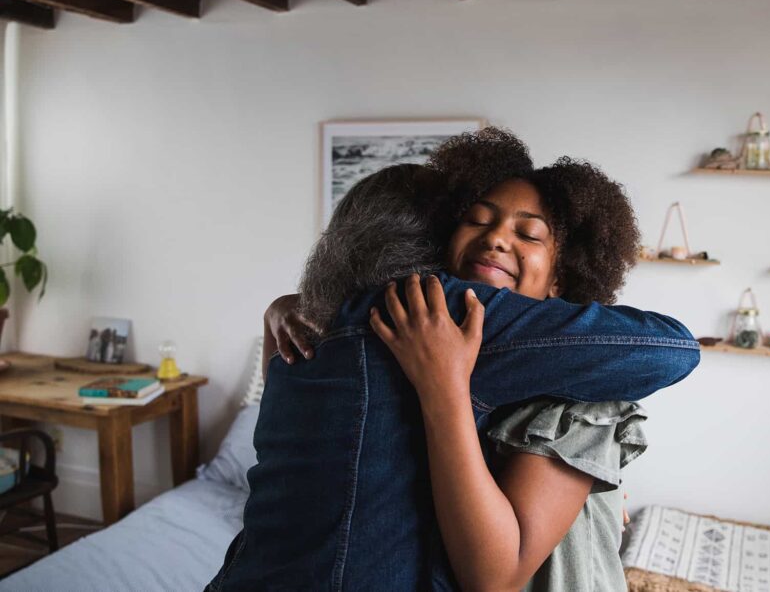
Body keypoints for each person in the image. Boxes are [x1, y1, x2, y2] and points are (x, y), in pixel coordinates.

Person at [208, 130, 700, 591]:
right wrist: (287, 306)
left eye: (529, 235)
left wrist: (442, 382)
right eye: (478, 220)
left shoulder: (566, 398)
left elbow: (675, 349)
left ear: (561, 282)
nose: (497, 238)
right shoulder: (413, 325)